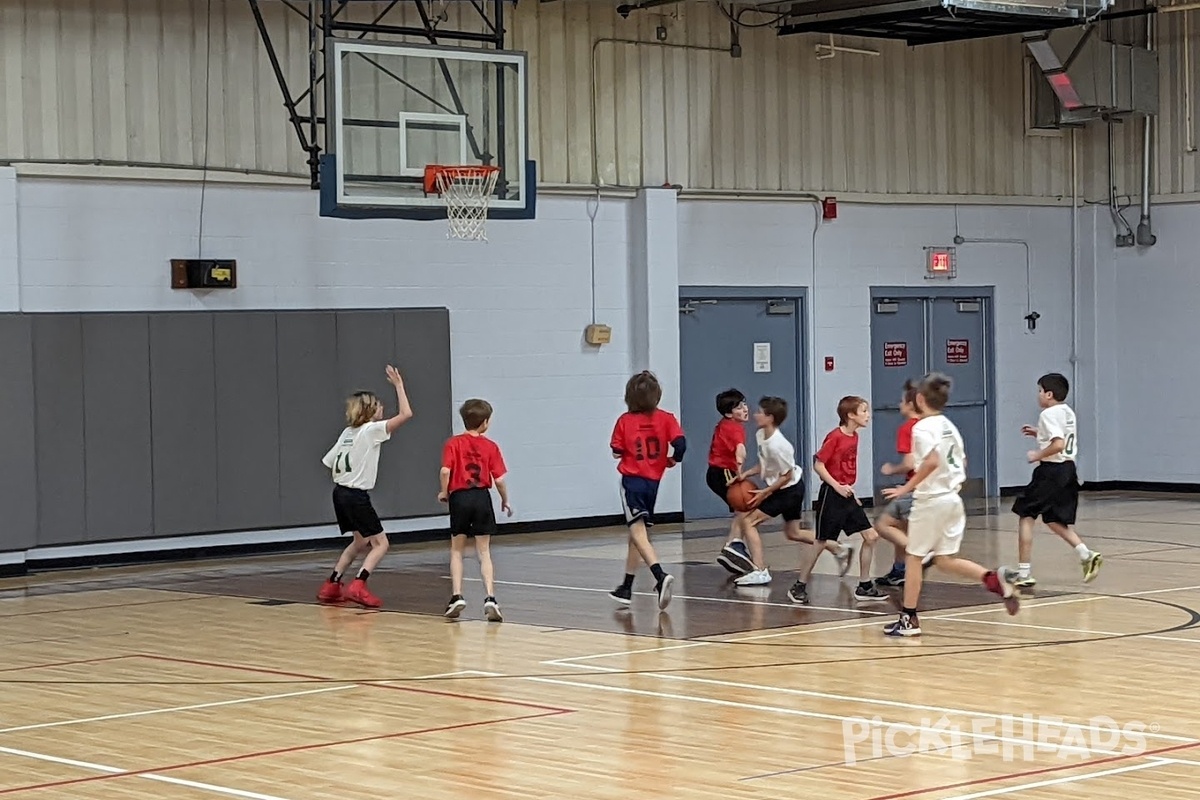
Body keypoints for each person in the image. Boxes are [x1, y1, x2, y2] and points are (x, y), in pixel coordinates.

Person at [881, 372, 1020, 637]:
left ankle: (909, 619)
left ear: (919, 399)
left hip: (931, 500)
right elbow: (963, 463)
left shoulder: (921, 428)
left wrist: (906, 488)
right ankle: (992, 579)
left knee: (913, 557)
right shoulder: (949, 426)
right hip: (953, 500)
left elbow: (932, 461)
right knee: (944, 560)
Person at [316, 366, 413, 609]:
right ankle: (359, 584)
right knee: (381, 544)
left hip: (339, 492)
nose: (382, 409)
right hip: (356, 495)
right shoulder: (371, 430)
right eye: (379, 405)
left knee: (359, 542)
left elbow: (328, 462)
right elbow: (406, 414)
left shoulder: (347, 432)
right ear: (371, 410)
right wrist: (399, 385)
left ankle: (332, 584)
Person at [737, 396, 851, 587]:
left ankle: (760, 570)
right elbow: (766, 464)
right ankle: (838, 548)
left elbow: (787, 475)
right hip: (787, 488)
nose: (755, 415)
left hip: (789, 490)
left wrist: (765, 492)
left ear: (770, 418)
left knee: (749, 521)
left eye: (760, 412)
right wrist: (745, 474)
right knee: (793, 533)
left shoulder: (779, 445)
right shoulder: (760, 435)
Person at [1009, 372, 1102, 587]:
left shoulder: (1048, 414)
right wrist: (1039, 434)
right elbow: (1060, 437)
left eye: (1040, 391)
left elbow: (1058, 444)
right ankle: (1086, 554)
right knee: (1053, 520)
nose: (1038, 395)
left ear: (1049, 394)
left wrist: (1037, 455)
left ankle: (1024, 573)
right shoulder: (1067, 412)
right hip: (1068, 469)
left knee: (1025, 513)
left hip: (1051, 470)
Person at [608, 371, 686, 610]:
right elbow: (681, 444)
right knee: (637, 535)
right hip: (653, 483)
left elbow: (616, 451)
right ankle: (627, 586)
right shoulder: (666, 418)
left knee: (638, 533)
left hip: (632, 481)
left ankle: (660, 575)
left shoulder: (625, 420)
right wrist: (674, 459)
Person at [438, 399, 512, 622]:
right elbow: (499, 479)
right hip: (481, 497)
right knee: (484, 551)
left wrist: (444, 492)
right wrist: (505, 500)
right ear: (485, 423)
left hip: (460, 497)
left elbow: (444, 471)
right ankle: (490, 597)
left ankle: (457, 595)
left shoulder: (453, 443)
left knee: (457, 550)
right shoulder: (491, 446)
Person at [874, 379, 920, 588]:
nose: (899, 404)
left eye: (902, 400)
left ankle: (921, 555)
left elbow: (909, 463)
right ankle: (900, 570)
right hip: (932, 486)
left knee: (883, 525)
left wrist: (892, 469)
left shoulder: (907, 428)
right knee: (902, 526)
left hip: (915, 485)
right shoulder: (931, 424)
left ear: (911, 404)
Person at [707, 389, 756, 576]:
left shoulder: (724, 424)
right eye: (739, 407)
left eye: (744, 404)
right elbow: (740, 450)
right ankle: (733, 545)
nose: (745, 409)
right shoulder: (734, 428)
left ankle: (733, 546)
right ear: (729, 413)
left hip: (715, 473)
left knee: (744, 509)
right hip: (724, 472)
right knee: (746, 506)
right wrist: (741, 471)